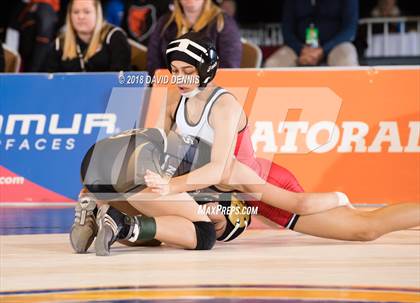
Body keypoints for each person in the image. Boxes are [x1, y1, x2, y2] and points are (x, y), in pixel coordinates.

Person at [147, 0, 242, 76]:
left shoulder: (224, 23)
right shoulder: (164, 23)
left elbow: (229, 70)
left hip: (210, 94)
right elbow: (154, 67)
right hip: (169, 92)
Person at [264, 0, 359, 67]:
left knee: (348, 62)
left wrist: (322, 50)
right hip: (299, 48)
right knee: (272, 65)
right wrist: (302, 50)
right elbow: (287, 31)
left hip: (335, 45)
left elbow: (349, 31)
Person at [43, 0, 131, 72]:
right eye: (76, 12)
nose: (81, 16)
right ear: (69, 15)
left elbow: (121, 78)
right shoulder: (60, 43)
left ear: (97, 13)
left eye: (87, 12)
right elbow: (50, 79)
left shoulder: (115, 37)